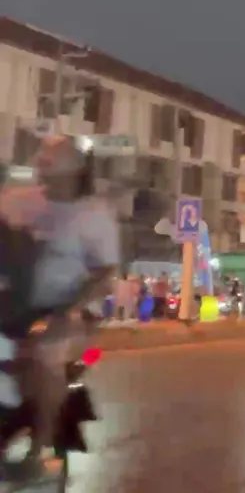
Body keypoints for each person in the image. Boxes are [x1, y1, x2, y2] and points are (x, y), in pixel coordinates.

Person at [0, 135, 118, 480]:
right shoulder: (18, 201)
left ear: (76, 167)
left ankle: (38, 451)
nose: (42, 159)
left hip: (70, 312)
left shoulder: (94, 216)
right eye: (42, 154)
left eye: (52, 155)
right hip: (15, 307)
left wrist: (68, 312)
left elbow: (104, 274)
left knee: (44, 352)